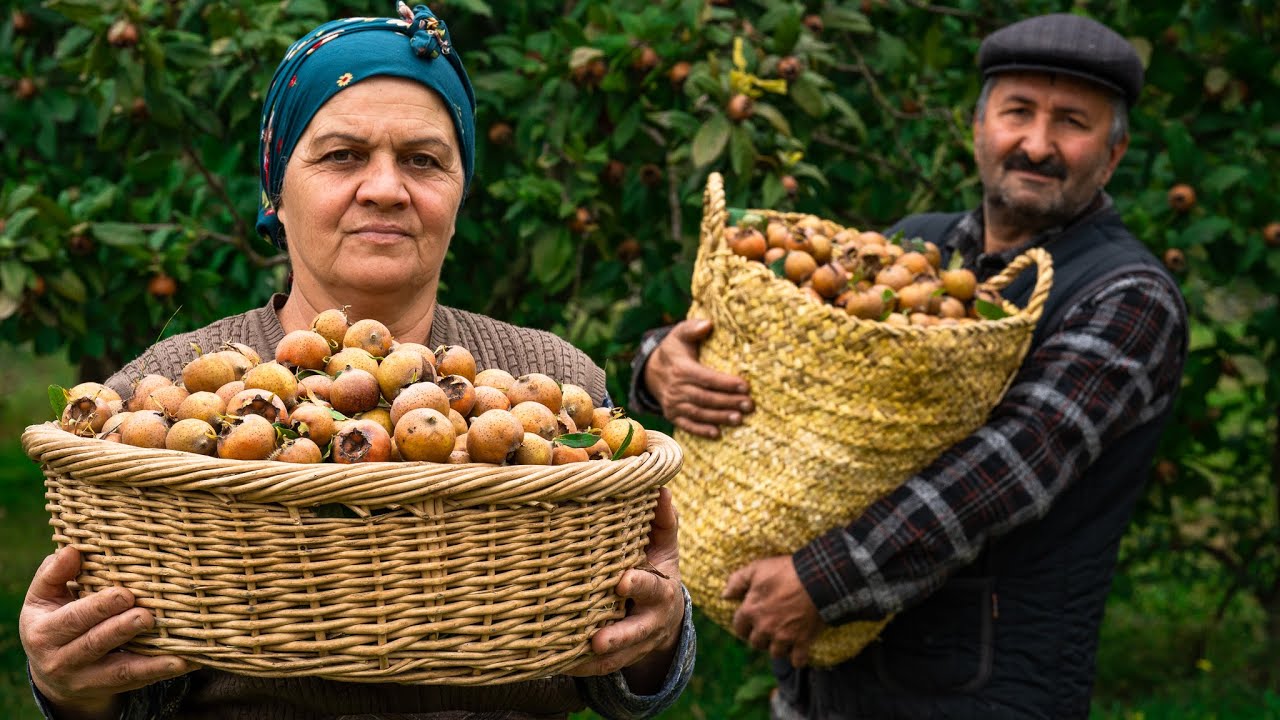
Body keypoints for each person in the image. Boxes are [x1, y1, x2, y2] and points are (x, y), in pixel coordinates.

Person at [20, 4, 694, 719]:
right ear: (277, 189)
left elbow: (618, 670)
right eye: (342, 155)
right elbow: (128, 680)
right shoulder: (151, 400)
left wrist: (658, 633)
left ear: (460, 192)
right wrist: (69, 683)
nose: (384, 189)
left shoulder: (560, 388)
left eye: (423, 161)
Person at [630, 13, 1187, 719]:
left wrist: (823, 581)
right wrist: (660, 363)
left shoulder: (1127, 295)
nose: (1037, 144)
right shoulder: (915, 248)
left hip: (985, 694)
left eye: (1072, 122)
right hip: (820, 690)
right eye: (1017, 112)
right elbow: (790, 363)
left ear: (1113, 153)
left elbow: (1012, 462)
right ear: (979, 127)